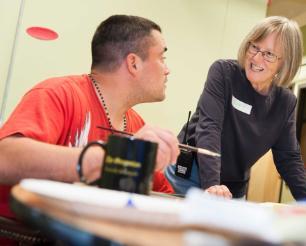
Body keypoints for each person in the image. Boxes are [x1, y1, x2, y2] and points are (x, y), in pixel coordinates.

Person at [0, 15, 180, 221]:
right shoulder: (58, 94)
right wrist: (108, 160)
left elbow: (164, 197)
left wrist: (204, 200)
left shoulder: (136, 125)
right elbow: (4, 158)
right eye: (162, 59)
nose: (167, 70)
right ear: (133, 63)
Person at [165, 16, 306, 200]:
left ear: (285, 63)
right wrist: (212, 185)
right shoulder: (224, 73)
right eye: (254, 47)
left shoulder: (285, 102)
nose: (257, 58)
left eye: (269, 54)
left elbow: (289, 158)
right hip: (191, 175)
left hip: (232, 189)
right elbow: (210, 128)